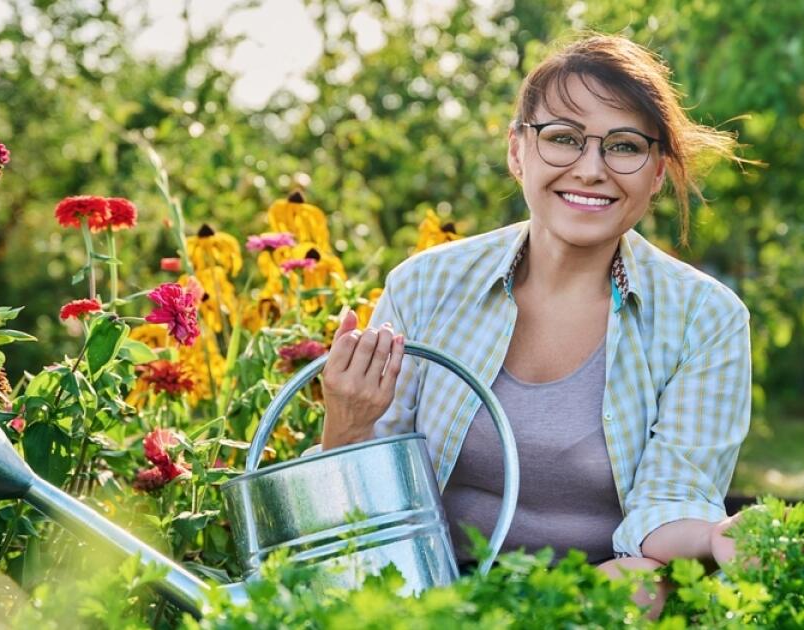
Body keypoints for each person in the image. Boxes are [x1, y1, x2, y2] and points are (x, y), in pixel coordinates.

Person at [318, 33, 752, 612]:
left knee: (642, 585)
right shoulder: (425, 286)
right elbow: (360, 516)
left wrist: (713, 536)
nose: (591, 169)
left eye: (624, 146)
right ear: (518, 151)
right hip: (433, 588)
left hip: (599, 594)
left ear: (656, 172)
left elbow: (671, 499)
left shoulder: (706, 319)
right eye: (563, 139)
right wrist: (346, 422)